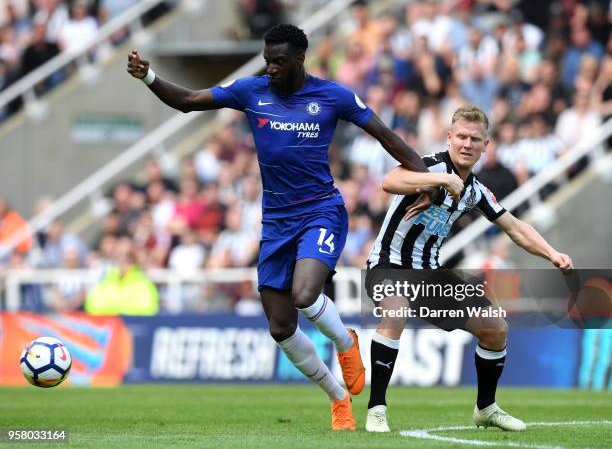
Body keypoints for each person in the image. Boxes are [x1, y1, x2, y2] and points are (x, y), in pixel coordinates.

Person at [127, 23, 430, 430]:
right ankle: (338, 398)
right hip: (276, 223)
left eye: (279, 62)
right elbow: (187, 101)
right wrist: (148, 75)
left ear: (301, 59)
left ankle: (346, 342)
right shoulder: (251, 92)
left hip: (321, 210)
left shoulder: (332, 95)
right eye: (267, 61)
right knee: (280, 327)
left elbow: (384, 135)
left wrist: (427, 178)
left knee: (306, 295)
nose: (270, 68)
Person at [364, 105, 573, 432]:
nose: (467, 143)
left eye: (475, 139)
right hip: (387, 265)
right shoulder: (429, 165)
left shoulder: (475, 190)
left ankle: (486, 408)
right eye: (460, 136)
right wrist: (441, 180)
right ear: (449, 138)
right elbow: (390, 181)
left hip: (430, 275)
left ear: (486, 145)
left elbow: (515, 228)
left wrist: (551, 253)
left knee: (495, 327)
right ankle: (377, 408)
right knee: (396, 306)